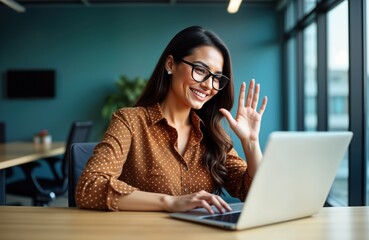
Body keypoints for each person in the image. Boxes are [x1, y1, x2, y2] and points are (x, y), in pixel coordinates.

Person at [76, 26, 267, 214]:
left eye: (216, 78)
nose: (209, 85)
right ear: (170, 65)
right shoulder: (130, 120)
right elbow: (89, 187)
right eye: (200, 70)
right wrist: (170, 202)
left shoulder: (213, 134)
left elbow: (255, 194)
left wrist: (250, 142)